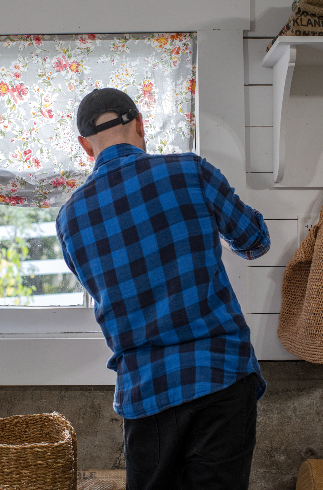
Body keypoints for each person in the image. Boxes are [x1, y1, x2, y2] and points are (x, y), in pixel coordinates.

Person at [55, 88, 270, 490]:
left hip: (145, 391)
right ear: (139, 123)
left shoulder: (70, 217)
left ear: (86, 147)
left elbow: (100, 286)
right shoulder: (190, 171)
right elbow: (254, 240)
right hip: (219, 372)